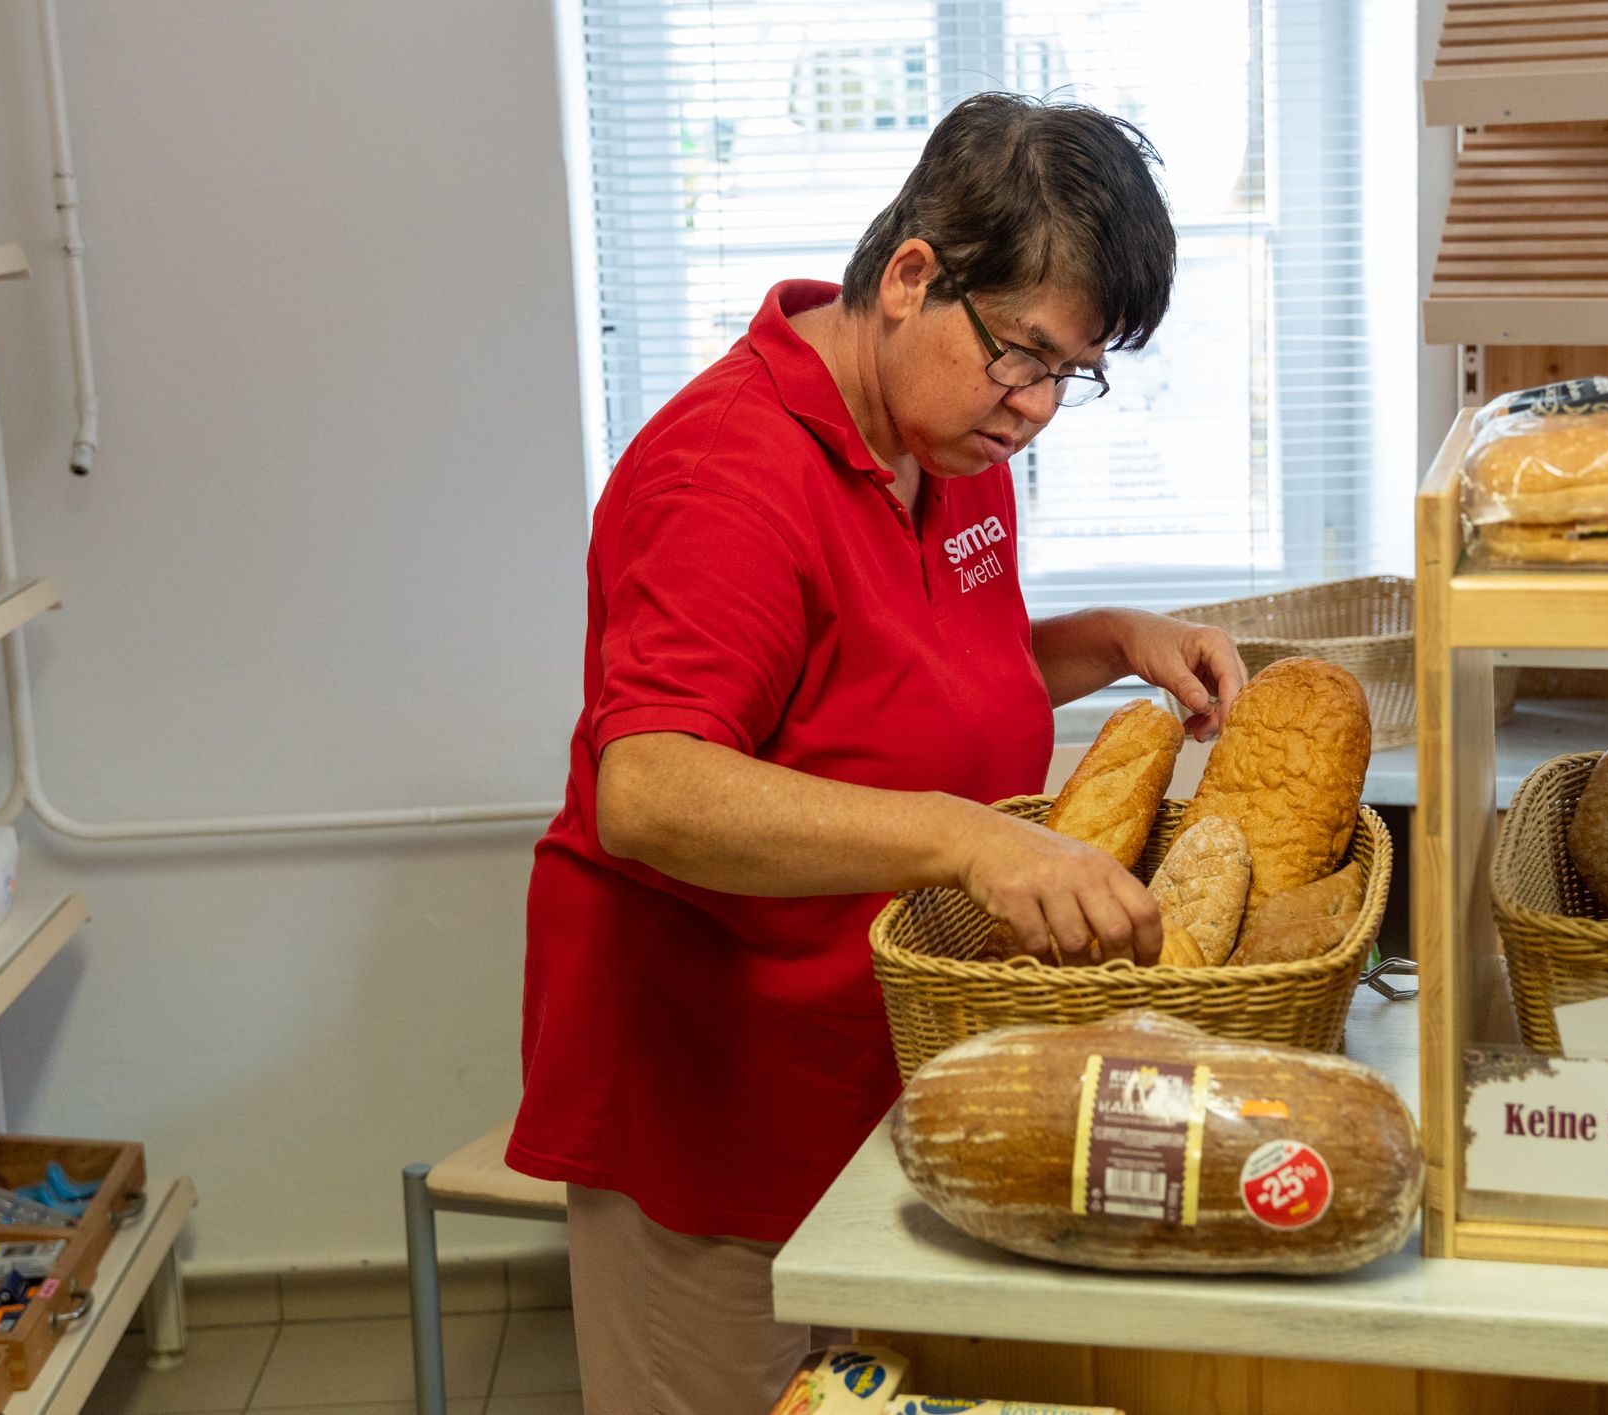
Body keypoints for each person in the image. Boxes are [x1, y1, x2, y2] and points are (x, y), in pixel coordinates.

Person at [507, 92, 1246, 1412]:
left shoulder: (941, 436)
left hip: (879, 1065)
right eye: (1021, 357)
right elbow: (651, 785)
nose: (1034, 411)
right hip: (713, 1100)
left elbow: (913, 671)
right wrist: (968, 837)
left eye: (1069, 374)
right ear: (911, 278)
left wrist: (1112, 639)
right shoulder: (727, 473)